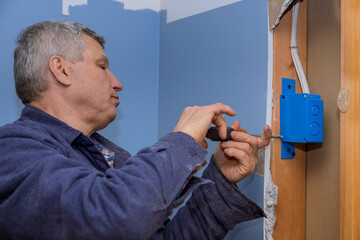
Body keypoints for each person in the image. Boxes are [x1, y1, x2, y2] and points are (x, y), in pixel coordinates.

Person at [0, 20, 271, 240]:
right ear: (61, 70)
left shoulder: (107, 156)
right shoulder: (12, 149)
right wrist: (183, 140)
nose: (117, 83)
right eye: (102, 66)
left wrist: (220, 177)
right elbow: (115, 219)